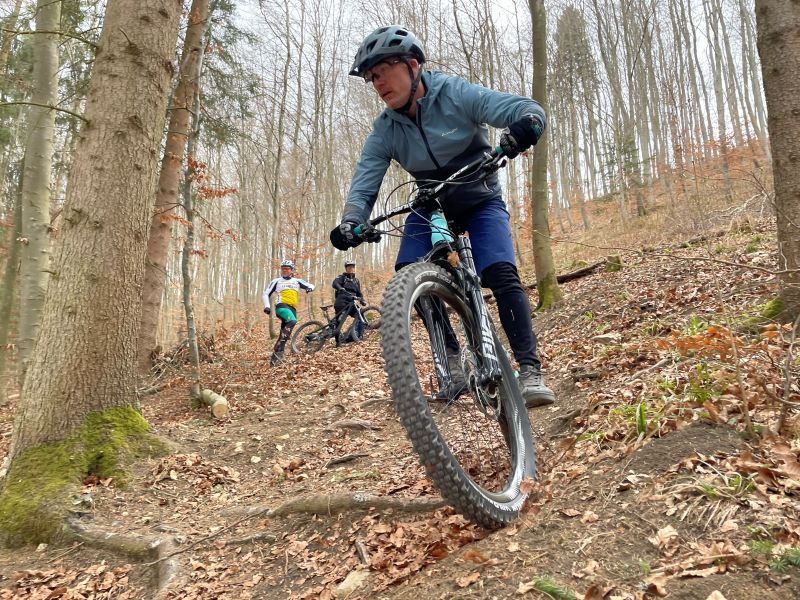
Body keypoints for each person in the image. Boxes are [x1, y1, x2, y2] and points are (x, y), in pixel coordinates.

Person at [329, 25, 555, 407]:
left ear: (413, 64)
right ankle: (450, 360)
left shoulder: (454, 92)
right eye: (371, 78)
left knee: (500, 271)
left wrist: (525, 125)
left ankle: (530, 370)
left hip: (479, 195)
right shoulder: (384, 129)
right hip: (431, 202)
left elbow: (518, 109)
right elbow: (365, 181)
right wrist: (353, 220)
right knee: (407, 272)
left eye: (382, 71)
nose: (377, 83)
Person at [263, 259, 314, 365]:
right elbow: (265, 294)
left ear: (292, 270)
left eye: (287, 269)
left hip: (293, 308)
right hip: (281, 307)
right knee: (292, 321)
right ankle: (279, 348)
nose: (285, 270)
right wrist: (267, 306)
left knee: (284, 333)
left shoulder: (297, 281)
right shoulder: (276, 281)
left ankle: (275, 359)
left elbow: (312, 285)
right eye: (283, 269)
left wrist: (309, 288)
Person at [332, 260, 366, 344]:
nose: (351, 268)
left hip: (352, 303)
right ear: (346, 268)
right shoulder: (341, 277)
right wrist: (340, 288)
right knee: (339, 320)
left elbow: (359, 292)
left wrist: (362, 300)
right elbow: (335, 283)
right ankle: (337, 342)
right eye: (349, 267)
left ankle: (354, 336)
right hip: (341, 301)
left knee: (360, 316)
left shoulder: (356, 281)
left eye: (353, 267)